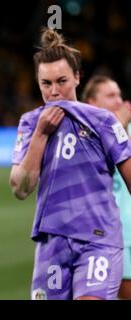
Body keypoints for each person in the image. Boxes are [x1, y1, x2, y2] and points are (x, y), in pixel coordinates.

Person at [9, 28, 131, 300]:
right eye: (46, 83)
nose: (54, 91)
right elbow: (20, 188)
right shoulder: (30, 123)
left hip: (98, 239)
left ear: (77, 77)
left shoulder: (103, 121)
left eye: (61, 81)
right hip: (52, 242)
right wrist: (41, 135)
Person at [82, 75, 131, 299]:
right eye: (111, 95)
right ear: (92, 102)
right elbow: (91, 171)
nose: (119, 101)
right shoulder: (83, 136)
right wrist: (118, 127)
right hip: (109, 236)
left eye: (119, 94)